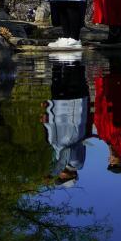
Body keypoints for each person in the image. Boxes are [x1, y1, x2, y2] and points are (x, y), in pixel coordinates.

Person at [44, 54, 90, 186]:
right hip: (72, 108)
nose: (61, 175)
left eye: (60, 177)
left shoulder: (60, 159)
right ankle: (73, 52)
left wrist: (47, 117)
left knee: (57, 75)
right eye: (63, 178)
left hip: (58, 110)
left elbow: (53, 137)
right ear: (73, 175)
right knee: (73, 73)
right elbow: (67, 150)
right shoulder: (77, 163)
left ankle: (59, 54)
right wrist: (53, 172)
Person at [93, 54, 121, 173]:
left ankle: (112, 51)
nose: (111, 160)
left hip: (105, 100)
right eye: (115, 163)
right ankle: (117, 51)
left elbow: (98, 118)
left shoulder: (107, 141)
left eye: (111, 163)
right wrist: (112, 146)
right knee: (117, 69)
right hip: (115, 99)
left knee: (108, 69)